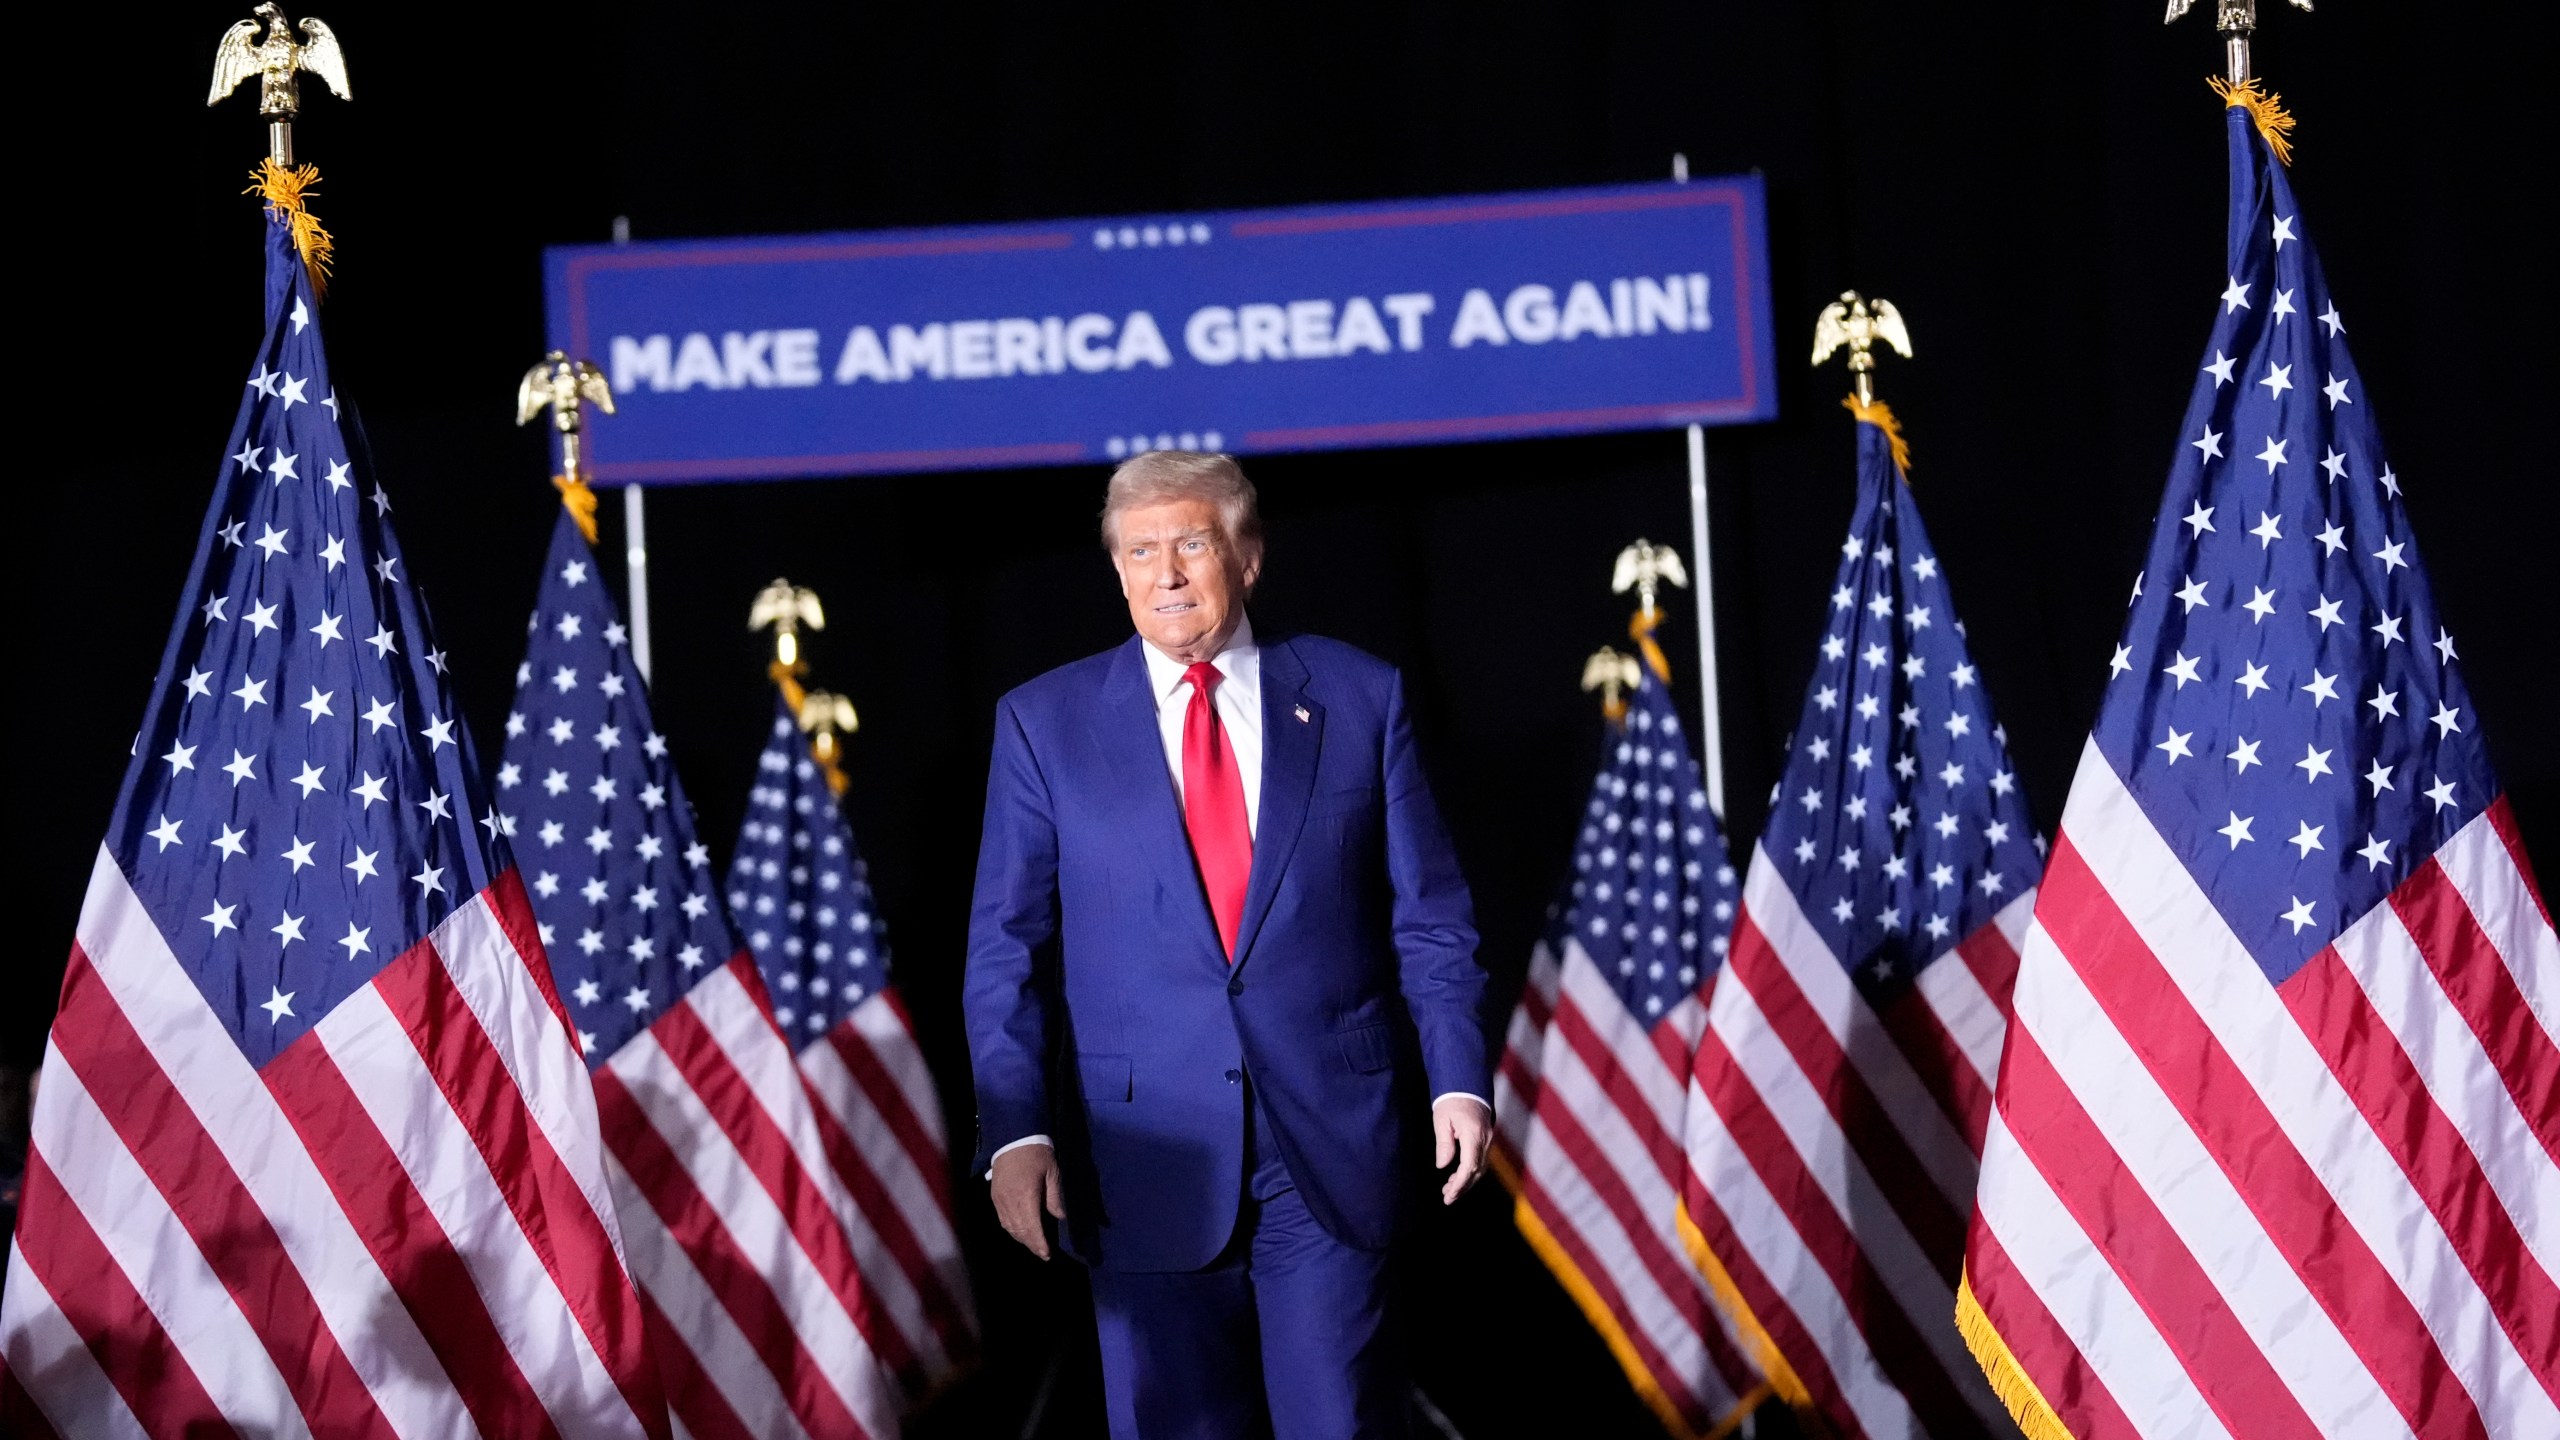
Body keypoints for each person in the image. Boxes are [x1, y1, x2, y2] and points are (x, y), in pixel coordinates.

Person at [964, 450, 1495, 1438]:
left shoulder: (1357, 695)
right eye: (1139, 552)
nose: (1164, 573)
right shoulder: (1043, 724)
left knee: (1339, 1421)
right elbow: (1006, 950)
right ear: (1117, 570)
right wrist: (1017, 1132)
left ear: (1247, 558)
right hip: (1142, 1153)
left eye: (1191, 545)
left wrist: (1456, 1079)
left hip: (1328, 1140)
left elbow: (1429, 915)